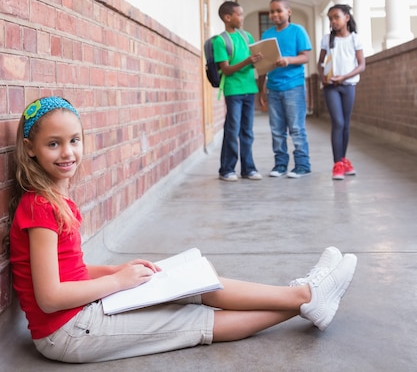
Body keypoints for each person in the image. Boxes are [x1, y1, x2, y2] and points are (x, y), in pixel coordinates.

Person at [7, 96, 357, 363]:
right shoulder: (39, 206)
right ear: (31, 149)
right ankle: (308, 298)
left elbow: (71, 271)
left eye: (74, 140)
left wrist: (117, 270)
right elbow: (49, 297)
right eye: (54, 144)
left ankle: (305, 295)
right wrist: (115, 282)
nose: (67, 152)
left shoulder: (55, 198)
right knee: (191, 319)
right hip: (68, 332)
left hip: (82, 312)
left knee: (193, 282)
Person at [258, 0, 312, 178]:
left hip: (293, 87)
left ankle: (302, 165)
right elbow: (263, 65)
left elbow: (305, 56)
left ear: (289, 12)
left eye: (279, 10)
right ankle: (280, 165)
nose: (275, 14)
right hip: (273, 87)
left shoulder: (298, 31)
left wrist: (288, 60)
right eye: (272, 11)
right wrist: (261, 89)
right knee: (276, 129)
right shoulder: (267, 35)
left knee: (296, 128)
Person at [213, 1, 263, 181]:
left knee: (247, 131)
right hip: (233, 90)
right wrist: (248, 61)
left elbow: (253, 61)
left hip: (250, 88)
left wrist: (260, 59)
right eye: (239, 15)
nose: (242, 18)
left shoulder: (247, 36)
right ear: (228, 17)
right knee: (232, 130)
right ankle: (226, 169)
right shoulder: (221, 41)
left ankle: (248, 168)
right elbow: (225, 69)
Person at [317, 4, 366, 180]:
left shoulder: (355, 39)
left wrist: (344, 77)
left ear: (346, 17)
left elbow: (361, 65)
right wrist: (323, 76)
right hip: (331, 87)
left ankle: (344, 160)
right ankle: (337, 164)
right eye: (330, 18)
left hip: (348, 86)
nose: (333, 21)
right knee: (337, 122)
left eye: (336, 17)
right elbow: (320, 62)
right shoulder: (327, 39)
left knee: (345, 124)